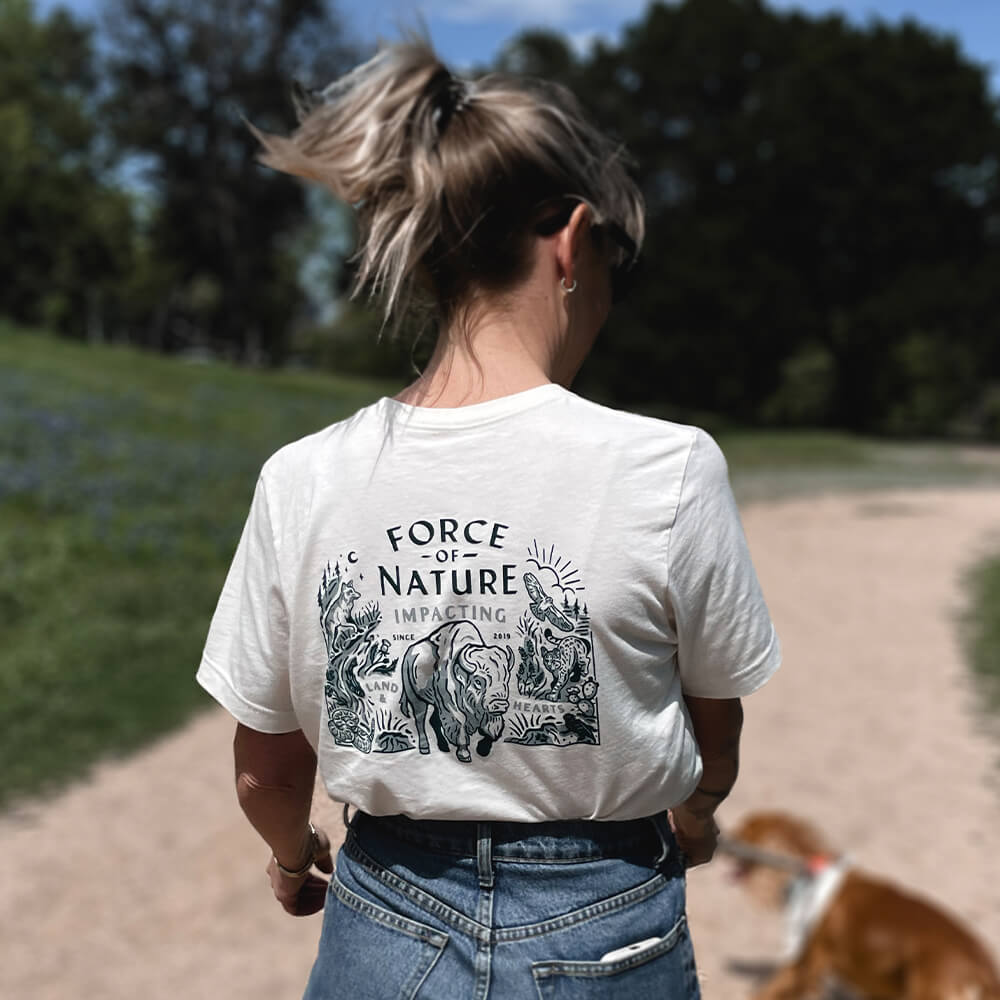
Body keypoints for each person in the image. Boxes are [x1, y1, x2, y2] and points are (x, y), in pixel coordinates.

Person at [197, 40, 781, 1000]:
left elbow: (265, 760)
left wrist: (289, 851)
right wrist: (703, 803)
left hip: (383, 912)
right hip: (608, 924)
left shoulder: (303, 477)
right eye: (612, 262)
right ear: (572, 241)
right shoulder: (668, 466)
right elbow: (715, 704)